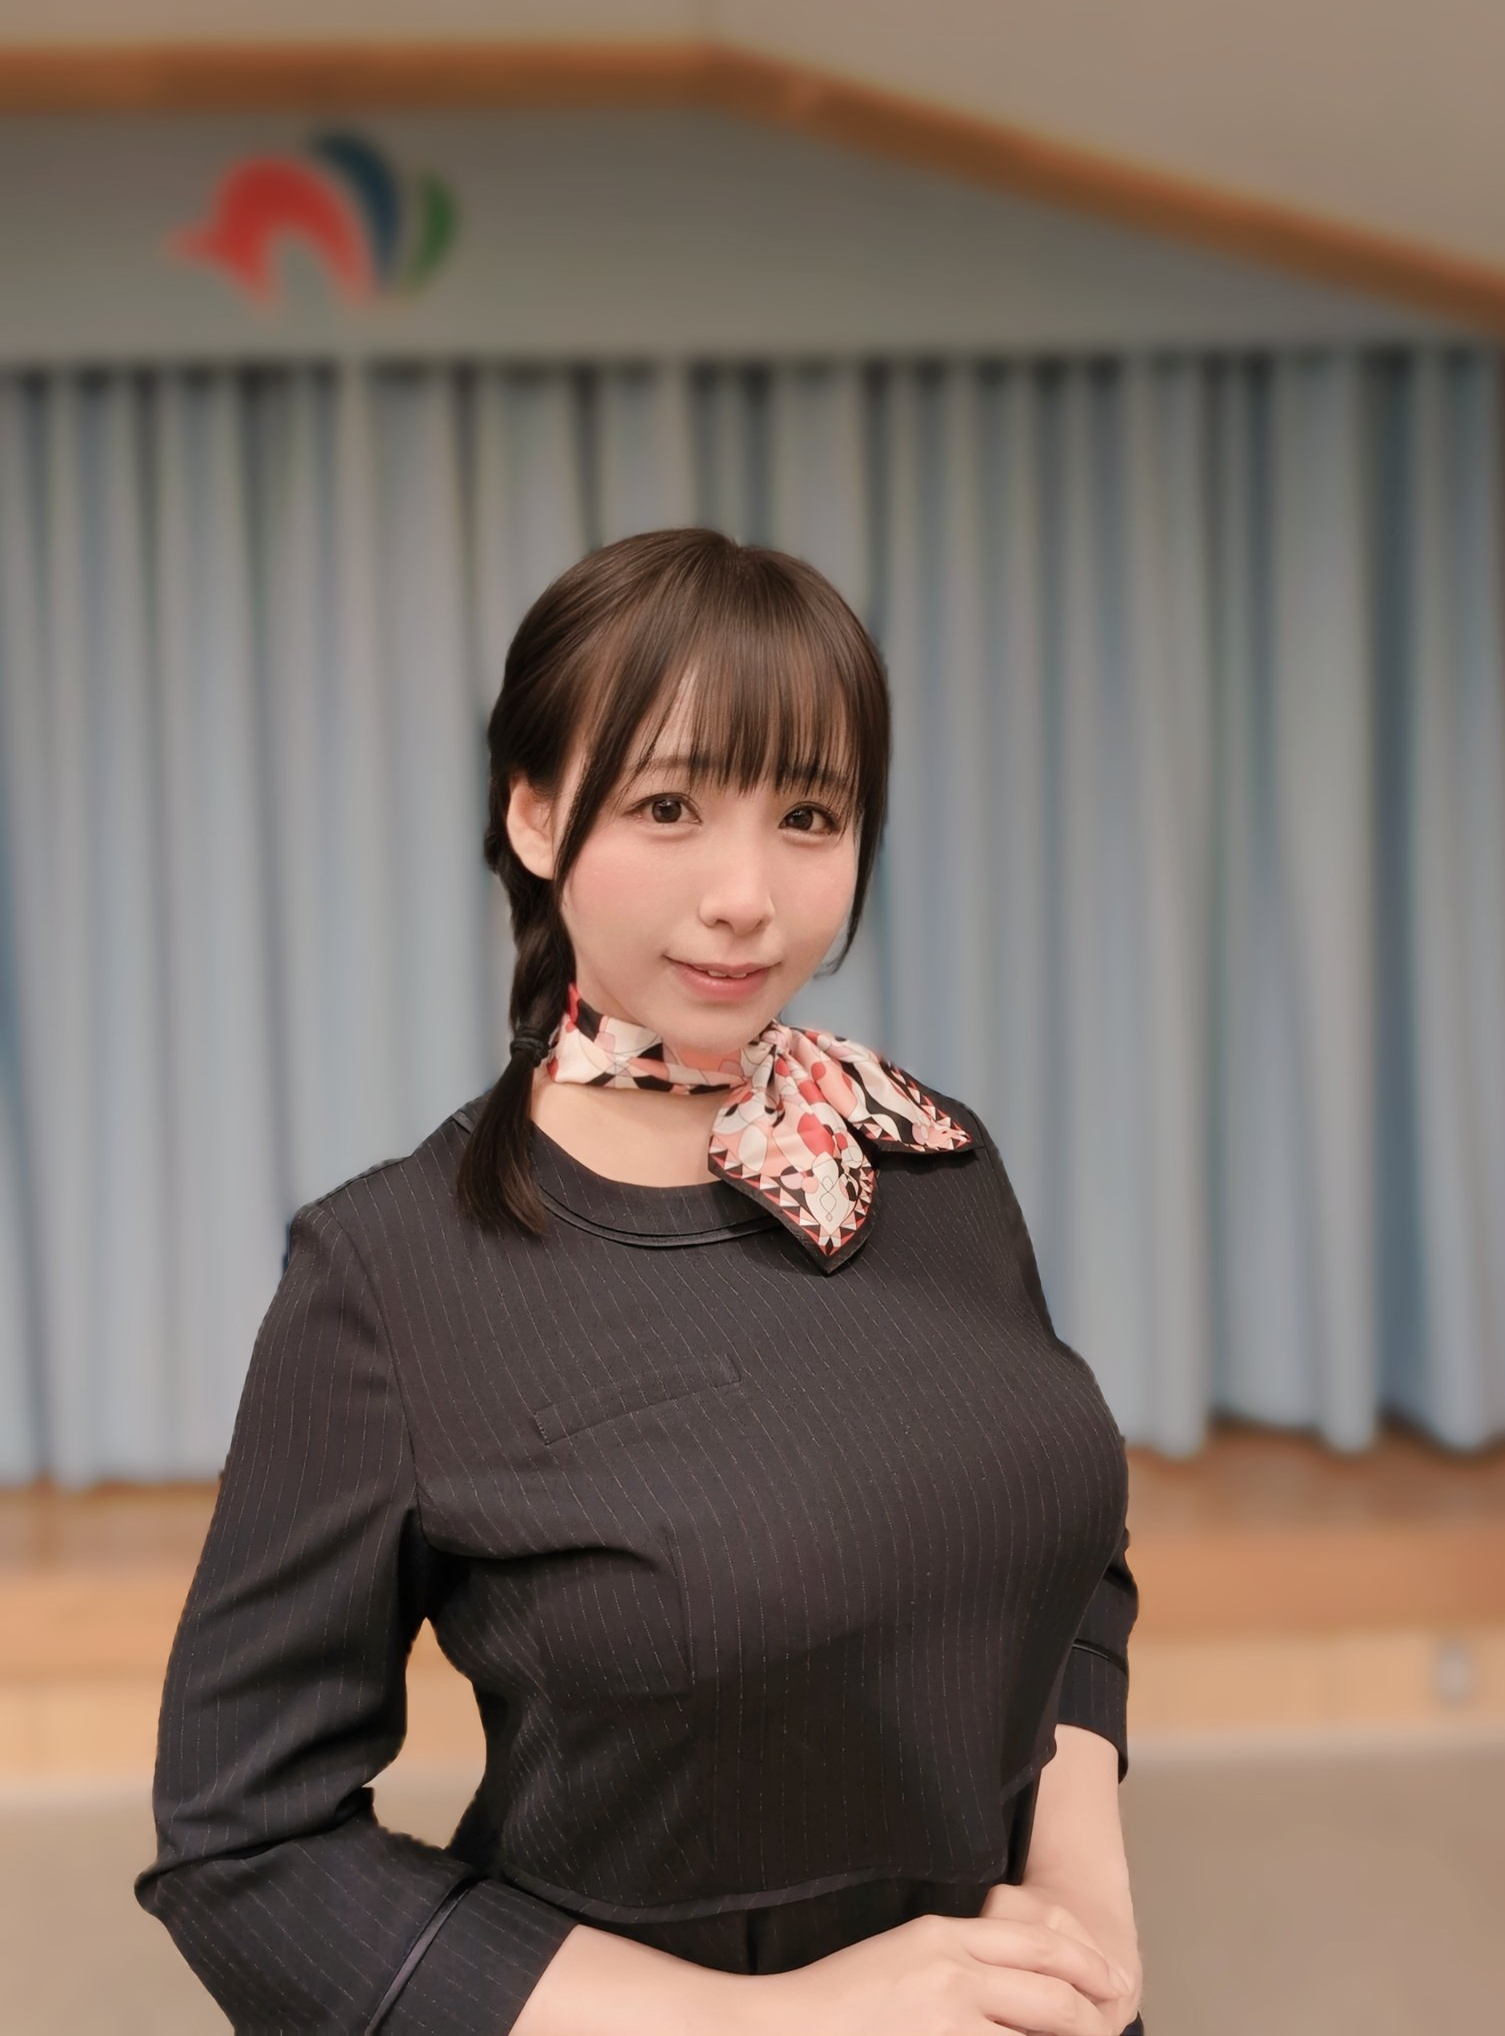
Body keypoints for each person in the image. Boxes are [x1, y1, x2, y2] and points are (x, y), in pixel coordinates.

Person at [134, 525, 1144, 2034]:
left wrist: (1076, 1890)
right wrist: (779, 2023)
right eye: (670, 806)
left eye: (809, 815)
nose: (746, 895)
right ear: (536, 815)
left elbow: (1062, 1551)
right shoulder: (389, 1278)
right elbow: (247, 1844)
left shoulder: (927, 1156)